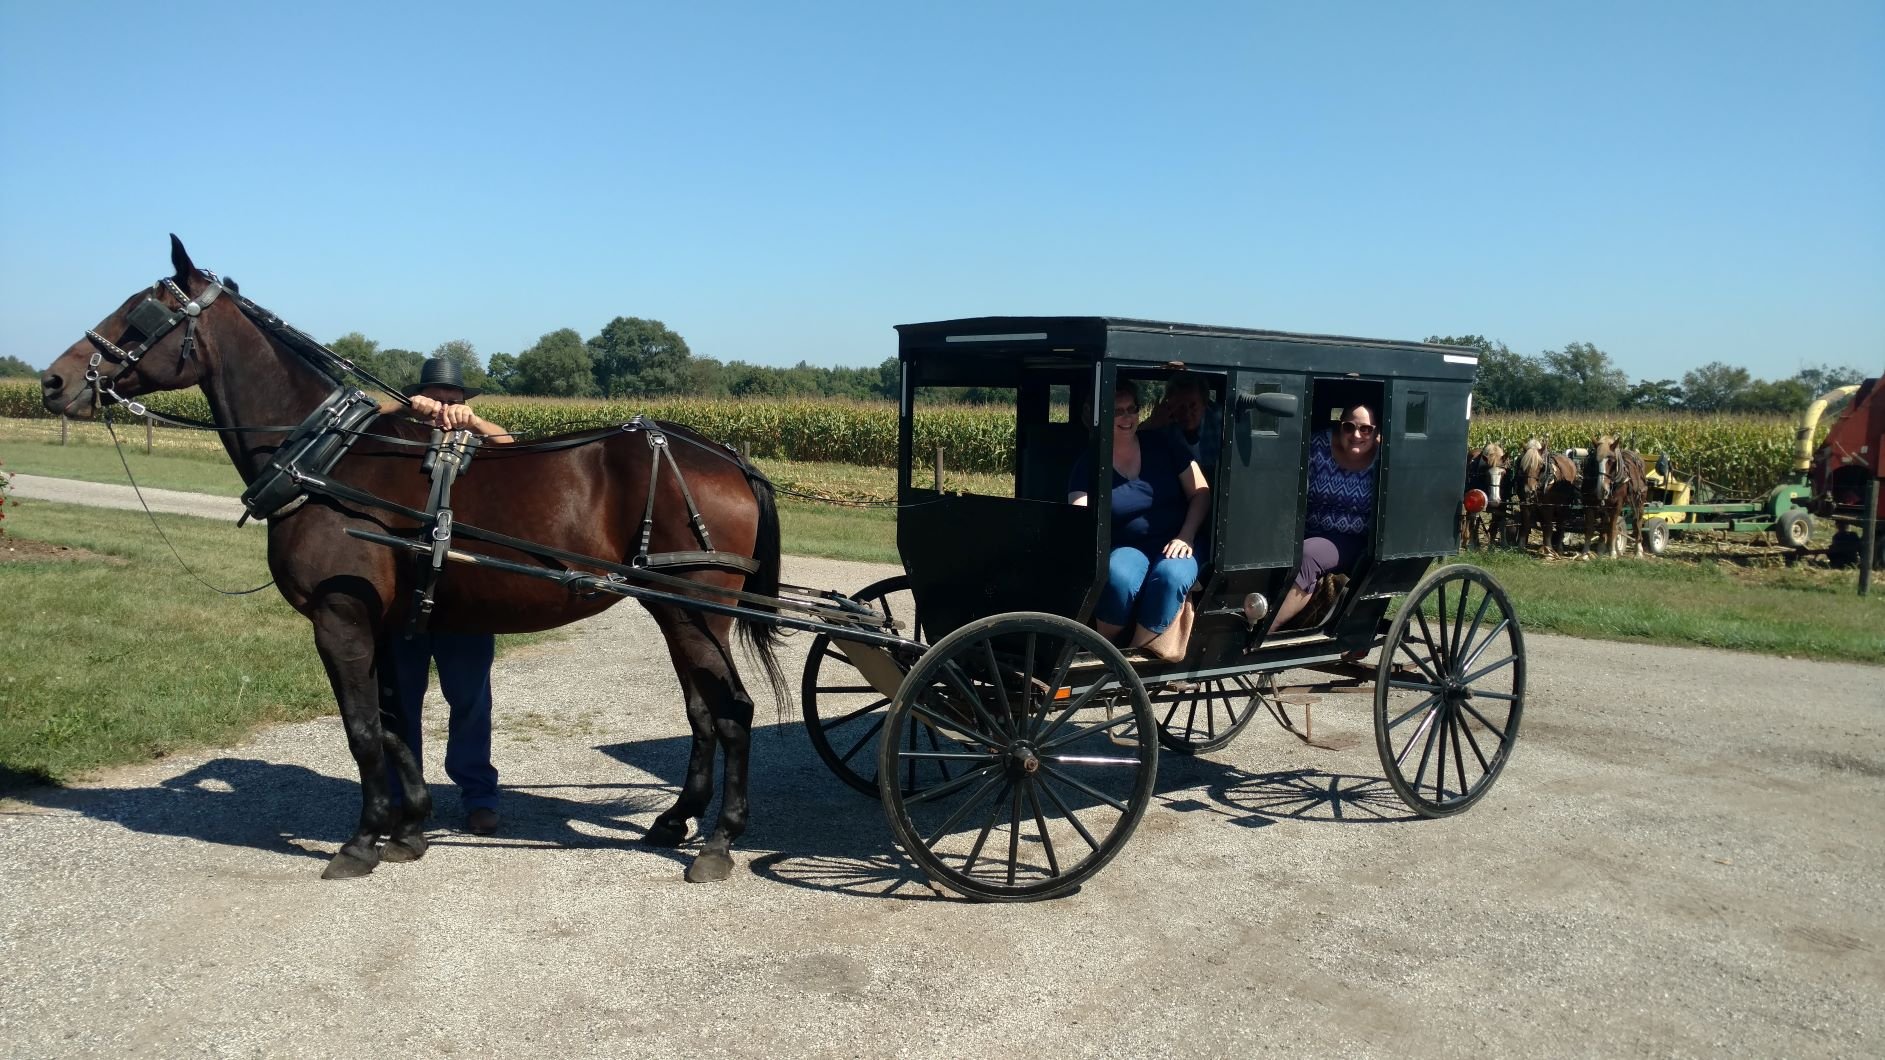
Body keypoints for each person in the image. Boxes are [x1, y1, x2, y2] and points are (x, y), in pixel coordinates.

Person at [378, 357, 513, 835]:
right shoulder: (396, 434)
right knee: (400, 701)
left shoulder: (475, 438)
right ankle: (404, 794)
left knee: (471, 699)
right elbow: (365, 416)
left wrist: (470, 421)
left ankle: (478, 793)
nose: (445, 407)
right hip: (404, 595)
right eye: (436, 398)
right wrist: (407, 407)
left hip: (464, 599)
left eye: (452, 400)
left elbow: (512, 446)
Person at [1068, 381, 1211, 653]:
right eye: (1117, 411)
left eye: (1131, 409)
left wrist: (1186, 535)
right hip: (1127, 545)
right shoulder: (1089, 462)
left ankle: (1137, 656)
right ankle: (1105, 650)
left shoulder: (1163, 445)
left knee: (1169, 576)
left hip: (1178, 539)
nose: (1126, 417)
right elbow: (1080, 510)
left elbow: (1201, 492)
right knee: (1117, 576)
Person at [1273, 403, 1379, 630]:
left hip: (1351, 538)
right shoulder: (1318, 445)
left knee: (1308, 554)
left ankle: (1268, 631)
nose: (1356, 435)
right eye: (1349, 427)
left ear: (1377, 432)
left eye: (1366, 429)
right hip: (1306, 527)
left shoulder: (1383, 458)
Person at [1139, 373, 1222, 473]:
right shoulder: (1163, 424)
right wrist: (1151, 423)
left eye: (1193, 405)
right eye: (1180, 406)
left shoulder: (1221, 421)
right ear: (1170, 404)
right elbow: (1129, 443)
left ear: (1204, 403)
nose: (1187, 413)